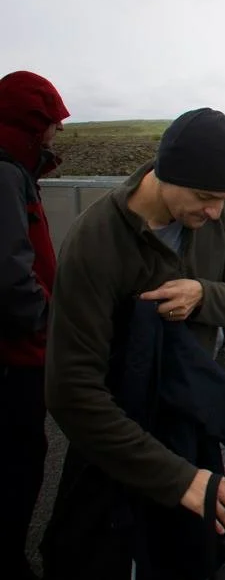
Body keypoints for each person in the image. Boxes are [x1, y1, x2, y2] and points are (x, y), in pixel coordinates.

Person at [43, 108, 225, 579]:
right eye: (205, 197)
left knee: (224, 548)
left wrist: (203, 294)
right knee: (116, 544)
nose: (214, 213)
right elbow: (71, 393)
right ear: (164, 173)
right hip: (120, 425)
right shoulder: (95, 241)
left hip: (196, 411)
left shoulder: (220, 220)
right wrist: (178, 478)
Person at [0, 71, 69, 580]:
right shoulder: (4, 173)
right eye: (50, 124)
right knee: (19, 458)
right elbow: (8, 272)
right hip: (15, 356)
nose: (55, 135)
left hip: (21, 349)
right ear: (30, 123)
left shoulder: (15, 170)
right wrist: (47, 323)